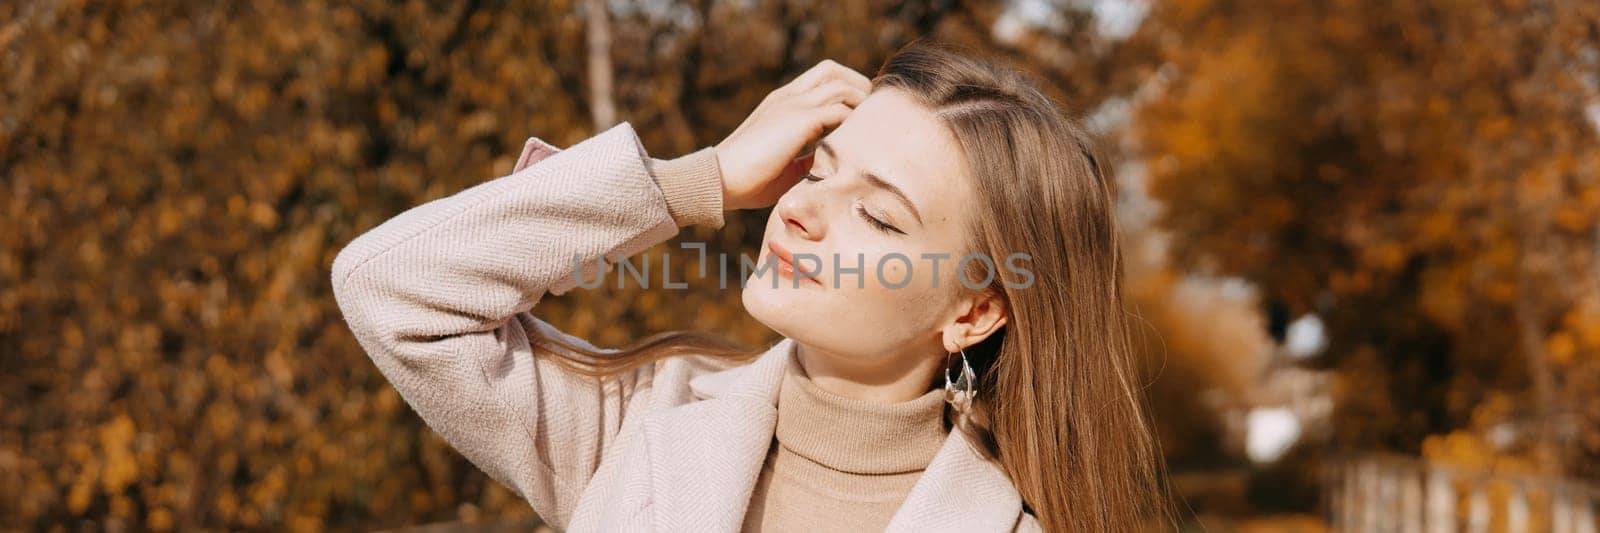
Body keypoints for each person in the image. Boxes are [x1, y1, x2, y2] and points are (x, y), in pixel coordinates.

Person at [332, 41, 1169, 532]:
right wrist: (703, 178)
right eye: (820, 169)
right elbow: (392, 287)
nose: (802, 209)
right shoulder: (640, 426)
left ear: (974, 310)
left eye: (878, 217)